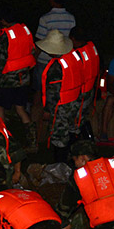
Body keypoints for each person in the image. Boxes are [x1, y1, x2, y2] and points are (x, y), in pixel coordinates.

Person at [38, 30, 83, 160]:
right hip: (74, 101)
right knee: (71, 131)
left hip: (61, 106)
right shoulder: (73, 57)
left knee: (59, 137)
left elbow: (53, 92)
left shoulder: (56, 68)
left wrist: (47, 110)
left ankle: (60, 163)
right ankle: (73, 157)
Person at [0, 21, 36, 125]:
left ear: (3, 20)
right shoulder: (25, 30)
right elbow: (32, 50)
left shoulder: (5, 36)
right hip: (24, 77)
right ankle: (31, 136)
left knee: (0, 107)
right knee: (20, 109)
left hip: (8, 79)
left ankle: (2, 134)